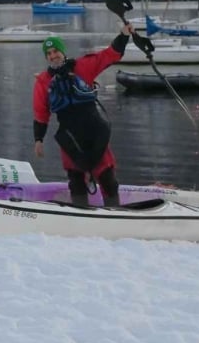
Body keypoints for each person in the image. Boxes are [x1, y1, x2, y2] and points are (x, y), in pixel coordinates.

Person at [32, 21, 134, 208]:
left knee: (107, 178)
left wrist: (124, 35)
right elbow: (41, 112)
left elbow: (109, 56)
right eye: (49, 54)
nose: (53, 56)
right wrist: (38, 139)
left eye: (56, 51)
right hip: (70, 136)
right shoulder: (43, 82)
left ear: (63, 52)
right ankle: (81, 214)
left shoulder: (81, 67)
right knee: (76, 181)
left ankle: (115, 213)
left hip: (94, 130)